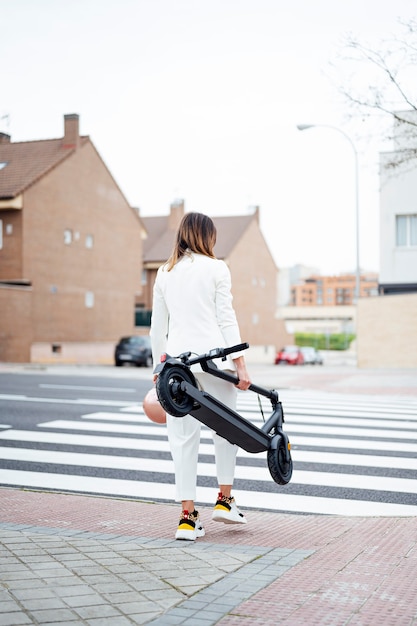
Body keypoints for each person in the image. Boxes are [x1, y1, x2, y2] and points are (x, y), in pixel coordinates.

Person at [150, 212, 251, 541]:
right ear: (207, 237)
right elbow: (226, 317)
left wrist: (157, 369)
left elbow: (157, 328)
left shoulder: (164, 273)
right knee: (227, 429)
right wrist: (241, 366)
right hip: (215, 362)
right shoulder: (217, 268)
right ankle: (224, 499)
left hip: (178, 369)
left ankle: (187, 518)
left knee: (181, 440)